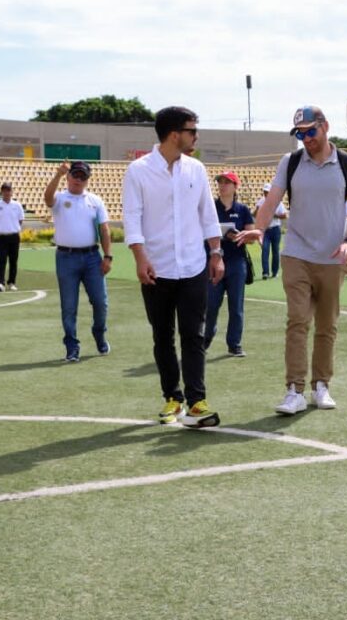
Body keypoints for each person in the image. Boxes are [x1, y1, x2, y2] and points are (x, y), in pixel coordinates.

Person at [243, 106, 347, 415]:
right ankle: (294, 390)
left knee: (327, 325)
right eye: (300, 133)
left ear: (325, 127)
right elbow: (272, 199)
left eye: (310, 131)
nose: (306, 139)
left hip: (333, 257)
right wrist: (259, 228)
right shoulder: (291, 161)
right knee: (297, 320)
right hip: (296, 253)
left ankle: (320, 386)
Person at [122, 106, 225, 429]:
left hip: (194, 265)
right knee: (162, 336)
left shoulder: (196, 169)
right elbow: (132, 218)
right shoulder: (138, 171)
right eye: (192, 130)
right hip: (157, 268)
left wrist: (216, 253)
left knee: (193, 335)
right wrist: (140, 259)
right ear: (173, 134)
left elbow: (208, 215)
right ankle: (173, 398)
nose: (196, 136)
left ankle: (197, 402)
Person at [44, 161, 113, 363]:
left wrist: (108, 255)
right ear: (68, 176)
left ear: (88, 179)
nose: (78, 180)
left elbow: (104, 229)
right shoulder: (60, 197)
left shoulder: (95, 200)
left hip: (92, 257)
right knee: (69, 305)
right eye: (75, 175)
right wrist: (57, 175)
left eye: (83, 177)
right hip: (66, 257)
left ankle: (99, 333)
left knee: (101, 302)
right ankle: (72, 346)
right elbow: (47, 199)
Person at [206, 171, 256, 357]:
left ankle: (234, 343)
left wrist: (240, 236)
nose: (223, 185)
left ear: (235, 187)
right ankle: (207, 335)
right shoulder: (210, 207)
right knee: (211, 304)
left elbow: (251, 236)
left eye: (227, 182)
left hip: (236, 262)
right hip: (214, 260)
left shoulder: (242, 210)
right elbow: (202, 231)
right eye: (220, 182)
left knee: (236, 306)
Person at [0, 182, 24, 292]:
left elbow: (20, 220)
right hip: (1, 237)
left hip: (14, 236)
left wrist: (12, 228)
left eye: (9, 190)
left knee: (13, 261)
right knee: (1, 260)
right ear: (1, 192)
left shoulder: (17, 205)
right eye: (4, 190)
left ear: (12, 192)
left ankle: (12, 282)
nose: (7, 193)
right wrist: (1, 228)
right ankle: (1, 283)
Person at [255, 183, 287, 280]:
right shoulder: (261, 202)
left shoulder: (278, 202)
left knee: (275, 251)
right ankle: (265, 272)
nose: (265, 193)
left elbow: (284, 215)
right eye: (264, 192)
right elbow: (255, 213)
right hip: (265, 229)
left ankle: (275, 272)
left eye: (267, 192)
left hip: (275, 229)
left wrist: (273, 215)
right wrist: (258, 212)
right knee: (265, 250)